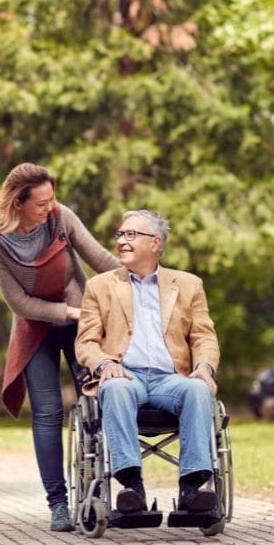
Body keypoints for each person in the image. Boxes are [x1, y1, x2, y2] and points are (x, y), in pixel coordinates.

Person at [0, 163, 119, 532]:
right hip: (36, 325)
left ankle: (103, 490)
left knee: (95, 399)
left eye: (51, 199)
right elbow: (19, 303)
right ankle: (58, 504)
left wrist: (144, 281)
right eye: (40, 203)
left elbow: (101, 261)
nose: (49, 207)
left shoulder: (61, 218)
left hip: (79, 320)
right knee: (46, 412)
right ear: (18, 202)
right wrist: (67, 312)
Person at [75, 209, 221, 517]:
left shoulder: (188, 285)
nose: (122, 242)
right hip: (125, 376)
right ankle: (131, 489)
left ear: (155, 243)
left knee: (198, 390)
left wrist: (204, 367)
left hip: (171, 379)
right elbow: (86, 342)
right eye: (120, 235)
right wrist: (103, 365)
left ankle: (192, 491)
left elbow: (204, 337)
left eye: (131, 235)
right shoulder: (99, 287)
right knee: (114, 388)